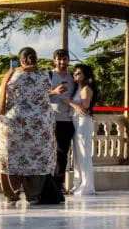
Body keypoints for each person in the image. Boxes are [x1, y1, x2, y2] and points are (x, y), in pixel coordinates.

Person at [0, 47, 60, 205]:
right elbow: (45, 96)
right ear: (35, 58)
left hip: (14, 124)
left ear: (21, 60)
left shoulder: (12, 76)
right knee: (37, 161)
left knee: (10, 161)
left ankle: (12, 195)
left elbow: (2, 99)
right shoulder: (46, 75)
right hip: (40, 125)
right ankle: (33, 195)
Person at [49, 48, 78, 193]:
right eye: (59, 59)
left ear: (68, 60)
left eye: (65, 59)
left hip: (67, 120)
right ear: (54, 60)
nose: (62, 62)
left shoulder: (74, 77)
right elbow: (37, 94)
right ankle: (46, 184)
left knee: (62, 154)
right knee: (48, 152)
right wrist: (54, 92)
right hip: (50, 119)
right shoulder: (48, 76)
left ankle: (58, 184)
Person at [66, 64, 97, 196]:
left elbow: (85, 109)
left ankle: (87, 185)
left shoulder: (86, 89)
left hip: (83, 121)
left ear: (85, 75)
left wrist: (69, 102)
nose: (75, 75)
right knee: (77, 155)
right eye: (74, 73)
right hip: (76, 121)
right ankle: (78, 183)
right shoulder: (78, 89)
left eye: (78, 73)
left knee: (84, 153)